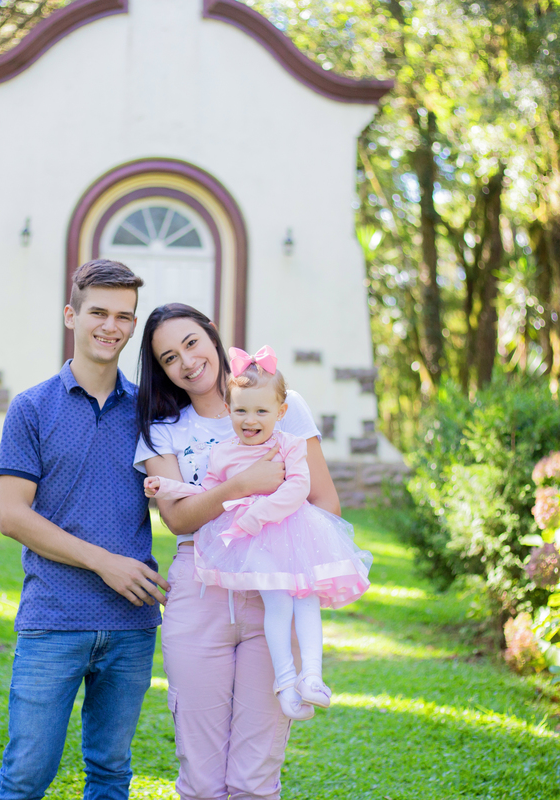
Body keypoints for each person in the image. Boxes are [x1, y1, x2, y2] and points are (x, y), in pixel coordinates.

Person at [134, 303, 342, 800]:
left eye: (190, 343)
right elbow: (178, 518)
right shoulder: (164, 429)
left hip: (275, 586)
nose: (185, 361)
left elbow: (323, 499)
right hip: (200, 586)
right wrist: (243, 484)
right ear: (162, 371)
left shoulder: (282, 400)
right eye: (168, 357)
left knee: (254, 777)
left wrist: (297, 566)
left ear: (212, 336)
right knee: (202, 779)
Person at [0, 259, 169, 800]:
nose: (110, 326)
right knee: (25, 777)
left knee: (112, 774)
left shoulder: (151, 413)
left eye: (124, 316)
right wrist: (103, 561)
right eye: (98, 312)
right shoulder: (31, 408)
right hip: (53, 618)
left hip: (131, 625)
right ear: (72, 315)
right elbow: (13, 515)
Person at [144, 347, 372, 720]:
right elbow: (207, 493)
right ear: (230, 410)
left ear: (280, 413)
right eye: (241, 411)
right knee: (279, 605)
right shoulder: (222, 453)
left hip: (291, 533)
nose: (250, 420)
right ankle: (285, 682)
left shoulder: (289, 445)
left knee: (306, 599)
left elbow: (299, 487)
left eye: (261, 412)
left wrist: (258, 514)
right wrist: (167, 488)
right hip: (257, 546)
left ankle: (311, 675)